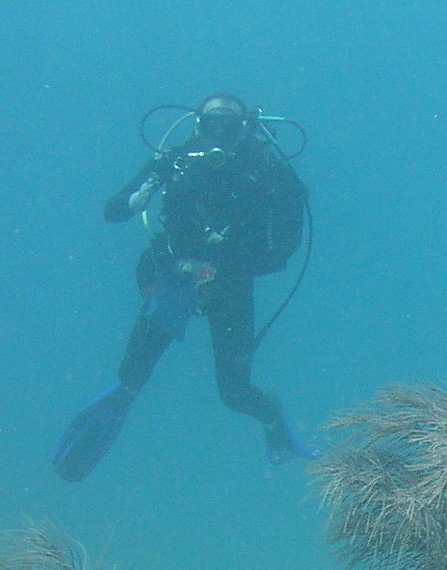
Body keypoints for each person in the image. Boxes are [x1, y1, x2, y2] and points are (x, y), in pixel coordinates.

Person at [53, 92, 313, 480]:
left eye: (229, 125)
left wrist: (232, 264)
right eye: (212, 124)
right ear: (197, 127)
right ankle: (95, 434)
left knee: (233, 392)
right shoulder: (175, 162)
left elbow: (286, 245)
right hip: (176, 279)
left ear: (246, 130)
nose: (220, 133)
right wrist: (139, 195)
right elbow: (113, 210)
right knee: (131, 377)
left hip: (232, 288)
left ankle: (272, 418)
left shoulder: (265, 169)